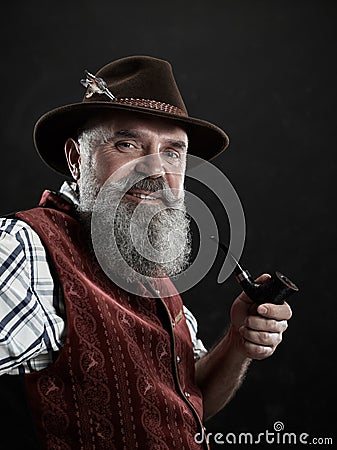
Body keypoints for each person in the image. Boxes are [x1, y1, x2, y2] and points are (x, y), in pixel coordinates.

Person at [0, 56, 292, 450]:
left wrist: (237, 343)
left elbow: (185, 401)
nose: (154, 170)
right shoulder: (26, 248)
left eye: (173, 152)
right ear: (75, 159)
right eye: (127, 143)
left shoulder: (146, 267)